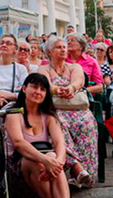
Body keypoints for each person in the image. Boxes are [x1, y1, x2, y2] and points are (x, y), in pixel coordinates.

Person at [4, 73, 89, 198]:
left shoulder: (48, 115)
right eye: (34, 87)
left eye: (43, 89)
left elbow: (60, 143)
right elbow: (19, 144)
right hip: (18, 166)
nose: (38, 91)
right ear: (24, 88)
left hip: (44, 167)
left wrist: (57, 161)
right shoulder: (13, 112)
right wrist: (46, 160)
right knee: (39, 161)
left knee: (51, 156)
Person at [41, 35, 96, 187]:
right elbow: (44, 85)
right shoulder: (43, 68)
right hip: (54, 109)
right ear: (49, 52)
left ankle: (84, 172)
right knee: (59, 124)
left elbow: (79, 81)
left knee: (86, 123)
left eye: (64, 47)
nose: (63, 49)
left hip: (76, 108)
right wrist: (57, 90)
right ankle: (76, 168)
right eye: (59, 47)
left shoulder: (74, 67)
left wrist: (71, 88)